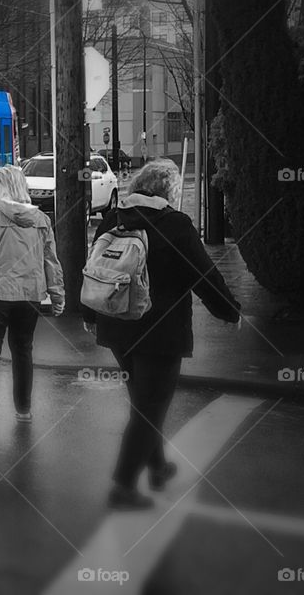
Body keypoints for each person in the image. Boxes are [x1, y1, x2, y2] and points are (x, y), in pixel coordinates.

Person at [82, 159, 241, 510]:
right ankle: (122, 487)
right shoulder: (176, 224)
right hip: (161, 333)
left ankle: (156, 468)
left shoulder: (113, 218)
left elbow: (95, 269)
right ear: (168, 192)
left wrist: (89, 315)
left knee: (143, 403)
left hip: (117, 327)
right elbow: (205, 276)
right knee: (149, 408)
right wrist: (230, 312)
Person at [0, 164, 65, 430]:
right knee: (23, 350)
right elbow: (51, 262)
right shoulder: (41, 219)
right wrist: (57, 296)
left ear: (3, 187)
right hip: (29, 295)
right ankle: (24, 410)